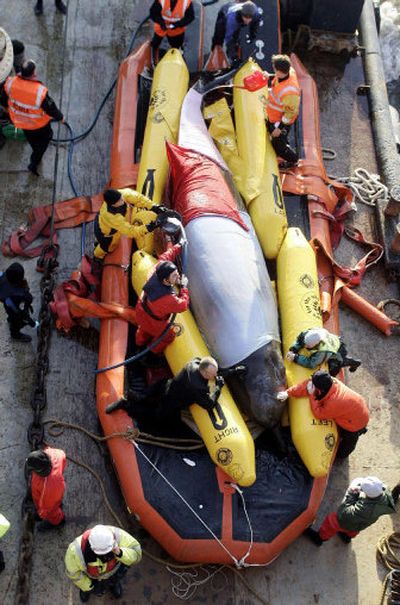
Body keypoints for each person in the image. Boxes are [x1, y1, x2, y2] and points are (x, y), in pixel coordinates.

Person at [277, 370, 369, 458]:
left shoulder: (334, 402)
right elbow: (307, 384)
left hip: (357, 422)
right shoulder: (330, 381)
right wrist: (288, 393)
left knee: (347, 445)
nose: (311, 384)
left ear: (320, 388)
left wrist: (312, 395)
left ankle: (342, 453)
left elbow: (319, 414)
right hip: (356, 406)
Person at [106, 356, 225, 421]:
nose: (214, 376)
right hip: (170, 402)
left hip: (166, 385)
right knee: (156, 415)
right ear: (204, 372)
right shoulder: (198, 388)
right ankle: (126, 404)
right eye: (212, 374)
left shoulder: (194, 362)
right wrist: (218, 387)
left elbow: (208, 371)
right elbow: (209, 404)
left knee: (149, 393)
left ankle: (137, 396)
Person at [0, 60, 64, 176]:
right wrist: (60, 118)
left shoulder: (9, 83)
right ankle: (34, 162)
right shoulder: (39, 92)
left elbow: (4, 103)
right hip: (39, 126)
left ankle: (34, 149)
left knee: (32, 140)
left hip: (21, 123)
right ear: (34, 73)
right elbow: (51, 108)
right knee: (44, 140)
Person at [304, 477, 396, 546]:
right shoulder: (385, 495)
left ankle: (319, 538)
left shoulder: (363, 509)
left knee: (333, 521)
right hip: (362, 523)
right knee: (354, 528)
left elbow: (344, 513)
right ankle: (347, 537)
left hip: (349, 520)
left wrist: (352, 494)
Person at [134, 243, 189, 354]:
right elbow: (183, 305)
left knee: (143, 329)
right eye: (174, 276)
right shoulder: (168, 299)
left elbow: (165, 257)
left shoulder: (154, 272)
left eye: (176, 273)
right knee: (169, 336)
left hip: (140, 310)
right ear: (165, 281)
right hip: (154, 322)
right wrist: (183, 287)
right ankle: (152, 352)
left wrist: (177, 247)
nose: (178, 276)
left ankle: (138, 343)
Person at [65, 524, 142, 602]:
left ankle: (113, 585)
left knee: (114, 580)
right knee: (89, 588)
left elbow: (137, 555)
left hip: (114, 573)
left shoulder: (119, 536)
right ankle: (86, 591)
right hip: (91, 578)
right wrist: (88, 586)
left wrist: (120, 553)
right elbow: (74, 574)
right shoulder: (74, 551)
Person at [93, 188, 166, 261]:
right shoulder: (112, 217)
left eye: (121, 197)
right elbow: (130, 231)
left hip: (104, 221)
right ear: (114, 204)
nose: (123, 199)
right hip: (106, 233)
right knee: (108, 247)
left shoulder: (122, 195)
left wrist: (153, 206)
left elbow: (138, 198)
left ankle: (98, 243)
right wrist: (146, 228)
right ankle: (97, 256)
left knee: (107, 242)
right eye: (120, 200)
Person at [265, 54, 300, 167]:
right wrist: (269, 77)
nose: (273, 70)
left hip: (280, 120)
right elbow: (278, 79)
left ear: (280, 71)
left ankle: (293, 160)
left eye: (274, 69)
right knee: (278, 138)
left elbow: (290, 113)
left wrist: (279, 128)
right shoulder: (289, 71)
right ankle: (283, 141)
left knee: (278, 146)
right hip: (274, 115)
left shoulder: (290, 92)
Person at [286, 327, 361, 376]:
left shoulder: (323, 350)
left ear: (316, 344)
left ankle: (354, 362)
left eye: (307, 346)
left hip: (339, 350)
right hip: (334, 341)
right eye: (305, 344)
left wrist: (296, 358)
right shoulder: (310, 334)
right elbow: (299, 340)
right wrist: (293, 349)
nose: (305, 347)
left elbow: (312, 364)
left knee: (333, 371)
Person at [26, 447, 67, 530]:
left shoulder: (47, 489)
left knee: (52, 513)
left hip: (52, 496)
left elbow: (45, 508)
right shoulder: (53, 453)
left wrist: (40, 514)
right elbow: (63, 456)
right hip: (57, 484)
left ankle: (58, 521)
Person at [0, 262, 36, 342]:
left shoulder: (2, 276)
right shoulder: (19, 294)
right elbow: (19, 309)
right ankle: (15, 335)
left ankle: (10, 319)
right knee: (16, 321)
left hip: (6, 301)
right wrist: (25, 317)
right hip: (12, 305)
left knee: (10, 313)